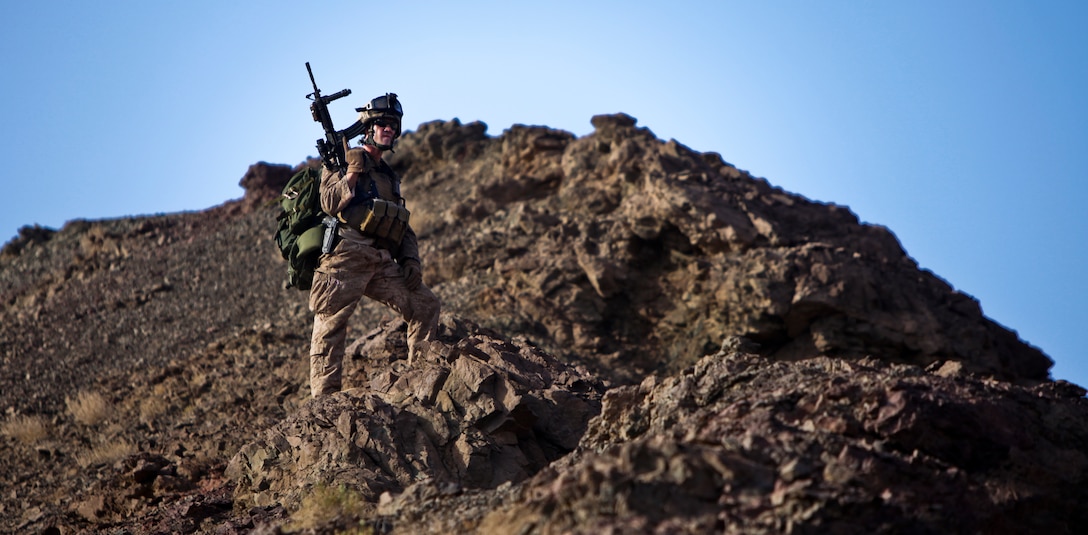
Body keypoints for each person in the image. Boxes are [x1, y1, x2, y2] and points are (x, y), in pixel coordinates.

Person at [307, 93, 441, 397]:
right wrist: (352, 172)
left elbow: (401, 225)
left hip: (379, 260)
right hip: (344, 257)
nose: (389, 130)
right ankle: (324, 404)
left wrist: (411, 262)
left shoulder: (388, 177)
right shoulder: (341, 163)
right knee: (329, 328)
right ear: (368, 128)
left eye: (393, 126)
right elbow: (329, 203)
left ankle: (420, 383)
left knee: (425, 305)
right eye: (383, 124)